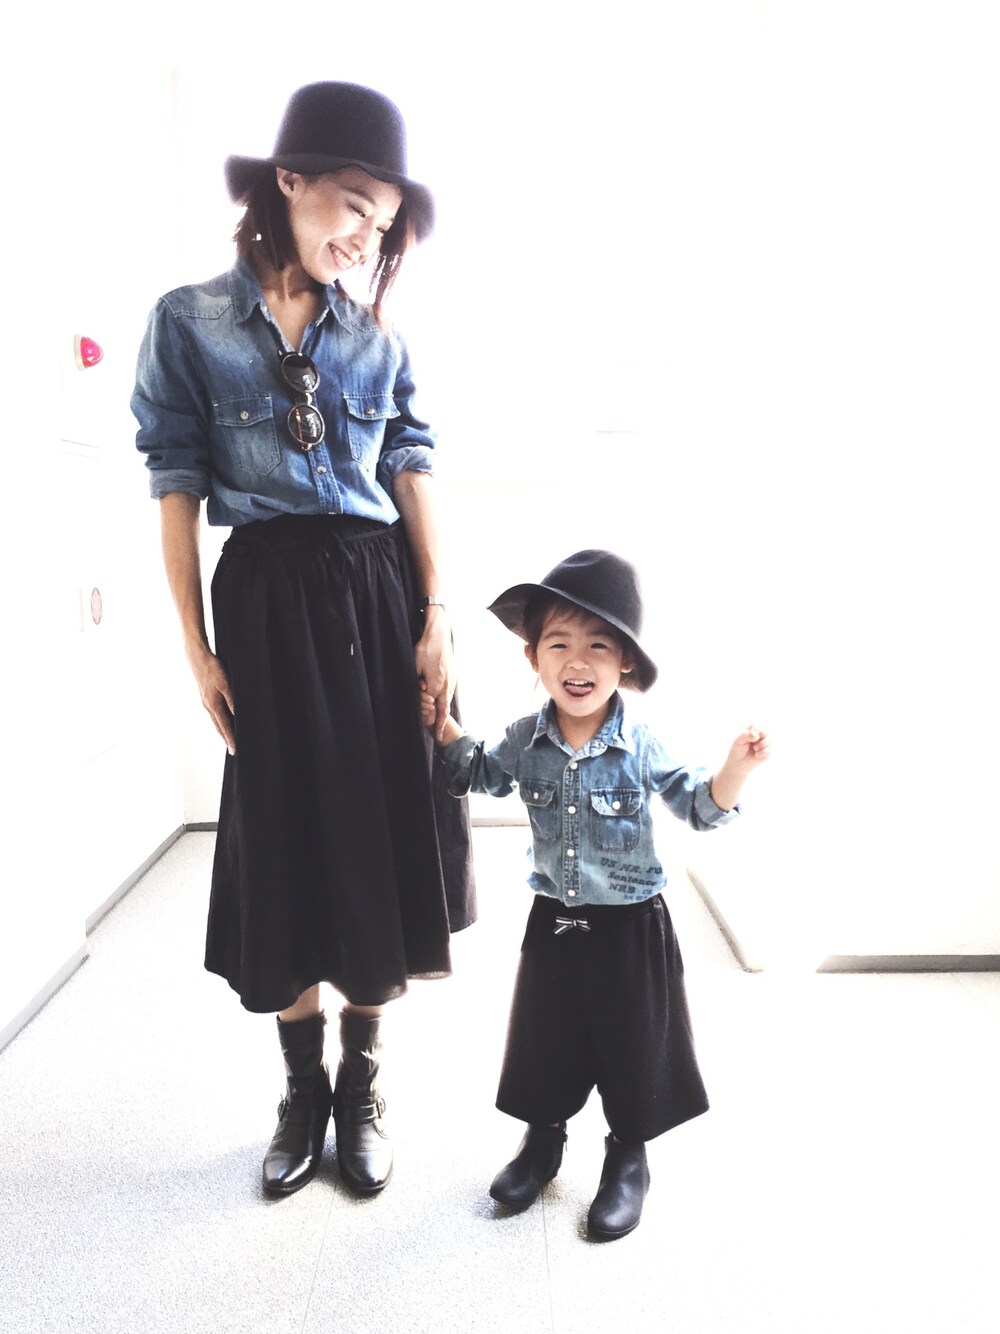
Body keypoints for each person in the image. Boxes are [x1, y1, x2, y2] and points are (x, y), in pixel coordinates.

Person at [132, 81, 475, 1200]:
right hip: (268, 603)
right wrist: (197, 649)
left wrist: (438, 616)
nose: (365, 237)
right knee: (283, 841)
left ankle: (362, 1085)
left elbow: (411, 471)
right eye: (354, 206)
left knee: (376, 834)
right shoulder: (189, 323)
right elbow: (176, 485)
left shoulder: (376, 340)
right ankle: (301, 1091)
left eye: (383, 222)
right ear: (289, 182)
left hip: (377, 595)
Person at [421, 549, 769, 1240]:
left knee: (632, 1043)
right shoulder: (526, 740)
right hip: (555, 917)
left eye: (598, 646)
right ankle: (542, 1141)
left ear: (625, 663)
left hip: (632, 926)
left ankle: (628, 1156)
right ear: (533, 658)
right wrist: (444, 727)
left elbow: (701, 807)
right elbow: (482, 772)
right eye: (559, 644)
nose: (577, 662)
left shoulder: (641, 744)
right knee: (544, 1038)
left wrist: (735, 769)